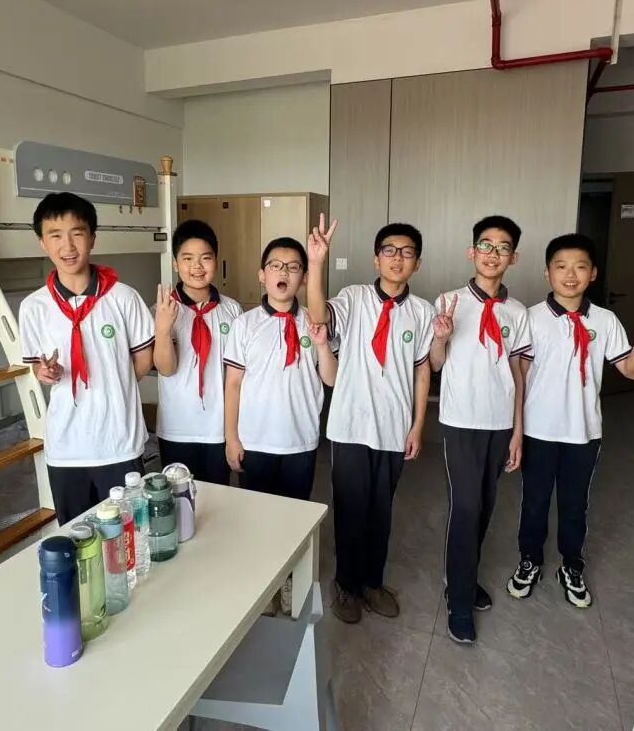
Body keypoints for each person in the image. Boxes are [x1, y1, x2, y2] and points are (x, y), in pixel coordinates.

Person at [507, 233, 634, 608]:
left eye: (580, 267)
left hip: (584, 433)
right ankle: (530, 560)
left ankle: (571, 565)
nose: (571, 275)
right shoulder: (531, 318)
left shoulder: (605, 320)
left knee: (574, 504)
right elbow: (520, 379)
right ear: (547, 273)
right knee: (534, 502)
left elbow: (631, 371)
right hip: (538, 431)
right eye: (561, 267)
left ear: (593, 273)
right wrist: (517, 430)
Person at [307, 215, 435, 625]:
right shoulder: (354, 298)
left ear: (417, 263)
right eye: (389, 251)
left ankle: (372, 581)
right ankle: (346, 584)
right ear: (376, 259)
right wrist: (316, 263)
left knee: (382, 510)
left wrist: (418, 425)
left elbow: (422, 371)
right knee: (350, 507)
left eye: (407, 252)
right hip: (349, 425)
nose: (398, 258)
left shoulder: (422, 312)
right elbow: (318, 317)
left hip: (393, 427)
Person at [18, 192, 155, 526]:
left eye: (77, 233)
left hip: (119, 443)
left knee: (129, 537)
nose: (67, 246)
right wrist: (45, 373)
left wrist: (114, 383)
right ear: (42, 243)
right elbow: (37, 367)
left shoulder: (123, 298)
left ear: (92, 237)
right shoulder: (34, 307)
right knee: (76, 538)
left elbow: (143, 361)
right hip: (66, 448)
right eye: (55, 236)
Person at [429, 215, 531, 645]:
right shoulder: (448, 301)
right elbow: (435, 364)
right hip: (460, 421)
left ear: (513, 258)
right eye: (485, 245)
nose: (493, 254)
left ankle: (465, 577)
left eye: (503, 247)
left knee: (486, 506)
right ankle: (458, 599)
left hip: (500, 423)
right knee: (466, 507)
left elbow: (518, 374)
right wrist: (441, 337)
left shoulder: (517, 312)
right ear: (472, 252)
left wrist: (518, 431)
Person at [224, 237, 337, 616]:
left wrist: (321, 345)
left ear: (303, 278)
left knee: (293, 519)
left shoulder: (316, 322)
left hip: (300, 442)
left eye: (293, 267)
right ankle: (262, 587)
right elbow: (233, 384)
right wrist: (231, 437)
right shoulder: (244, 325)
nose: (283, 272)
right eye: (276, 265)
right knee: (256, 519)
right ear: (262, 275)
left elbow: (332, 378)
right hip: (255, 441)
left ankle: (288, 580)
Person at [153, 219, 243, 485]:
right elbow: (166, 369)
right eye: (188, 258)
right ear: (175, 264)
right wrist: (163, 329)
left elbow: (236, 375)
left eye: (205, 258)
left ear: (216, 260)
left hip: (218, 427)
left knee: (218, 499)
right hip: (176, 427)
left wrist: (234, 430)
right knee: (178, 500)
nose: (197, 266)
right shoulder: (161, 309)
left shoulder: (232, 310)